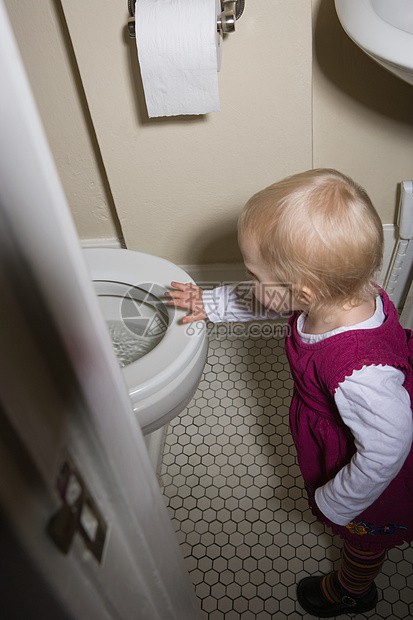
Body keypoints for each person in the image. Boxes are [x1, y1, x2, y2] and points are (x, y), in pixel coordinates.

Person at [165, 168, 413, 618]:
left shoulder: (360, 375)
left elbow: (387, 447)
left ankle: (353, 590)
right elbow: (270, 298)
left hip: (373, 470)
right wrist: (210, 304)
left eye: (252, 272)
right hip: (356, 414)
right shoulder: (342, 291)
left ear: (305, 290)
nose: (250, 278)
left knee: (363, 537)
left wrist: (338, 500)